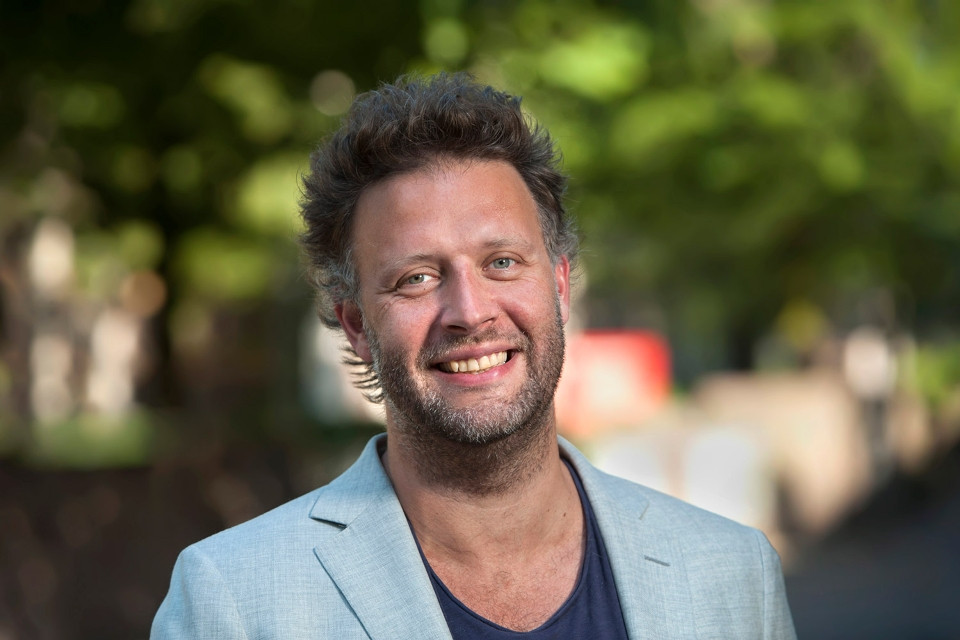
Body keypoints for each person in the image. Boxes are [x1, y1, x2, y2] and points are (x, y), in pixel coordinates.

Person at [152, 72, 796, 639]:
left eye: (503, 262)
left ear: (560, 287)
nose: (470, 310)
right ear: (355, 326)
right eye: (416, 278)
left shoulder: (733, 574)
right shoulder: (233, 602)